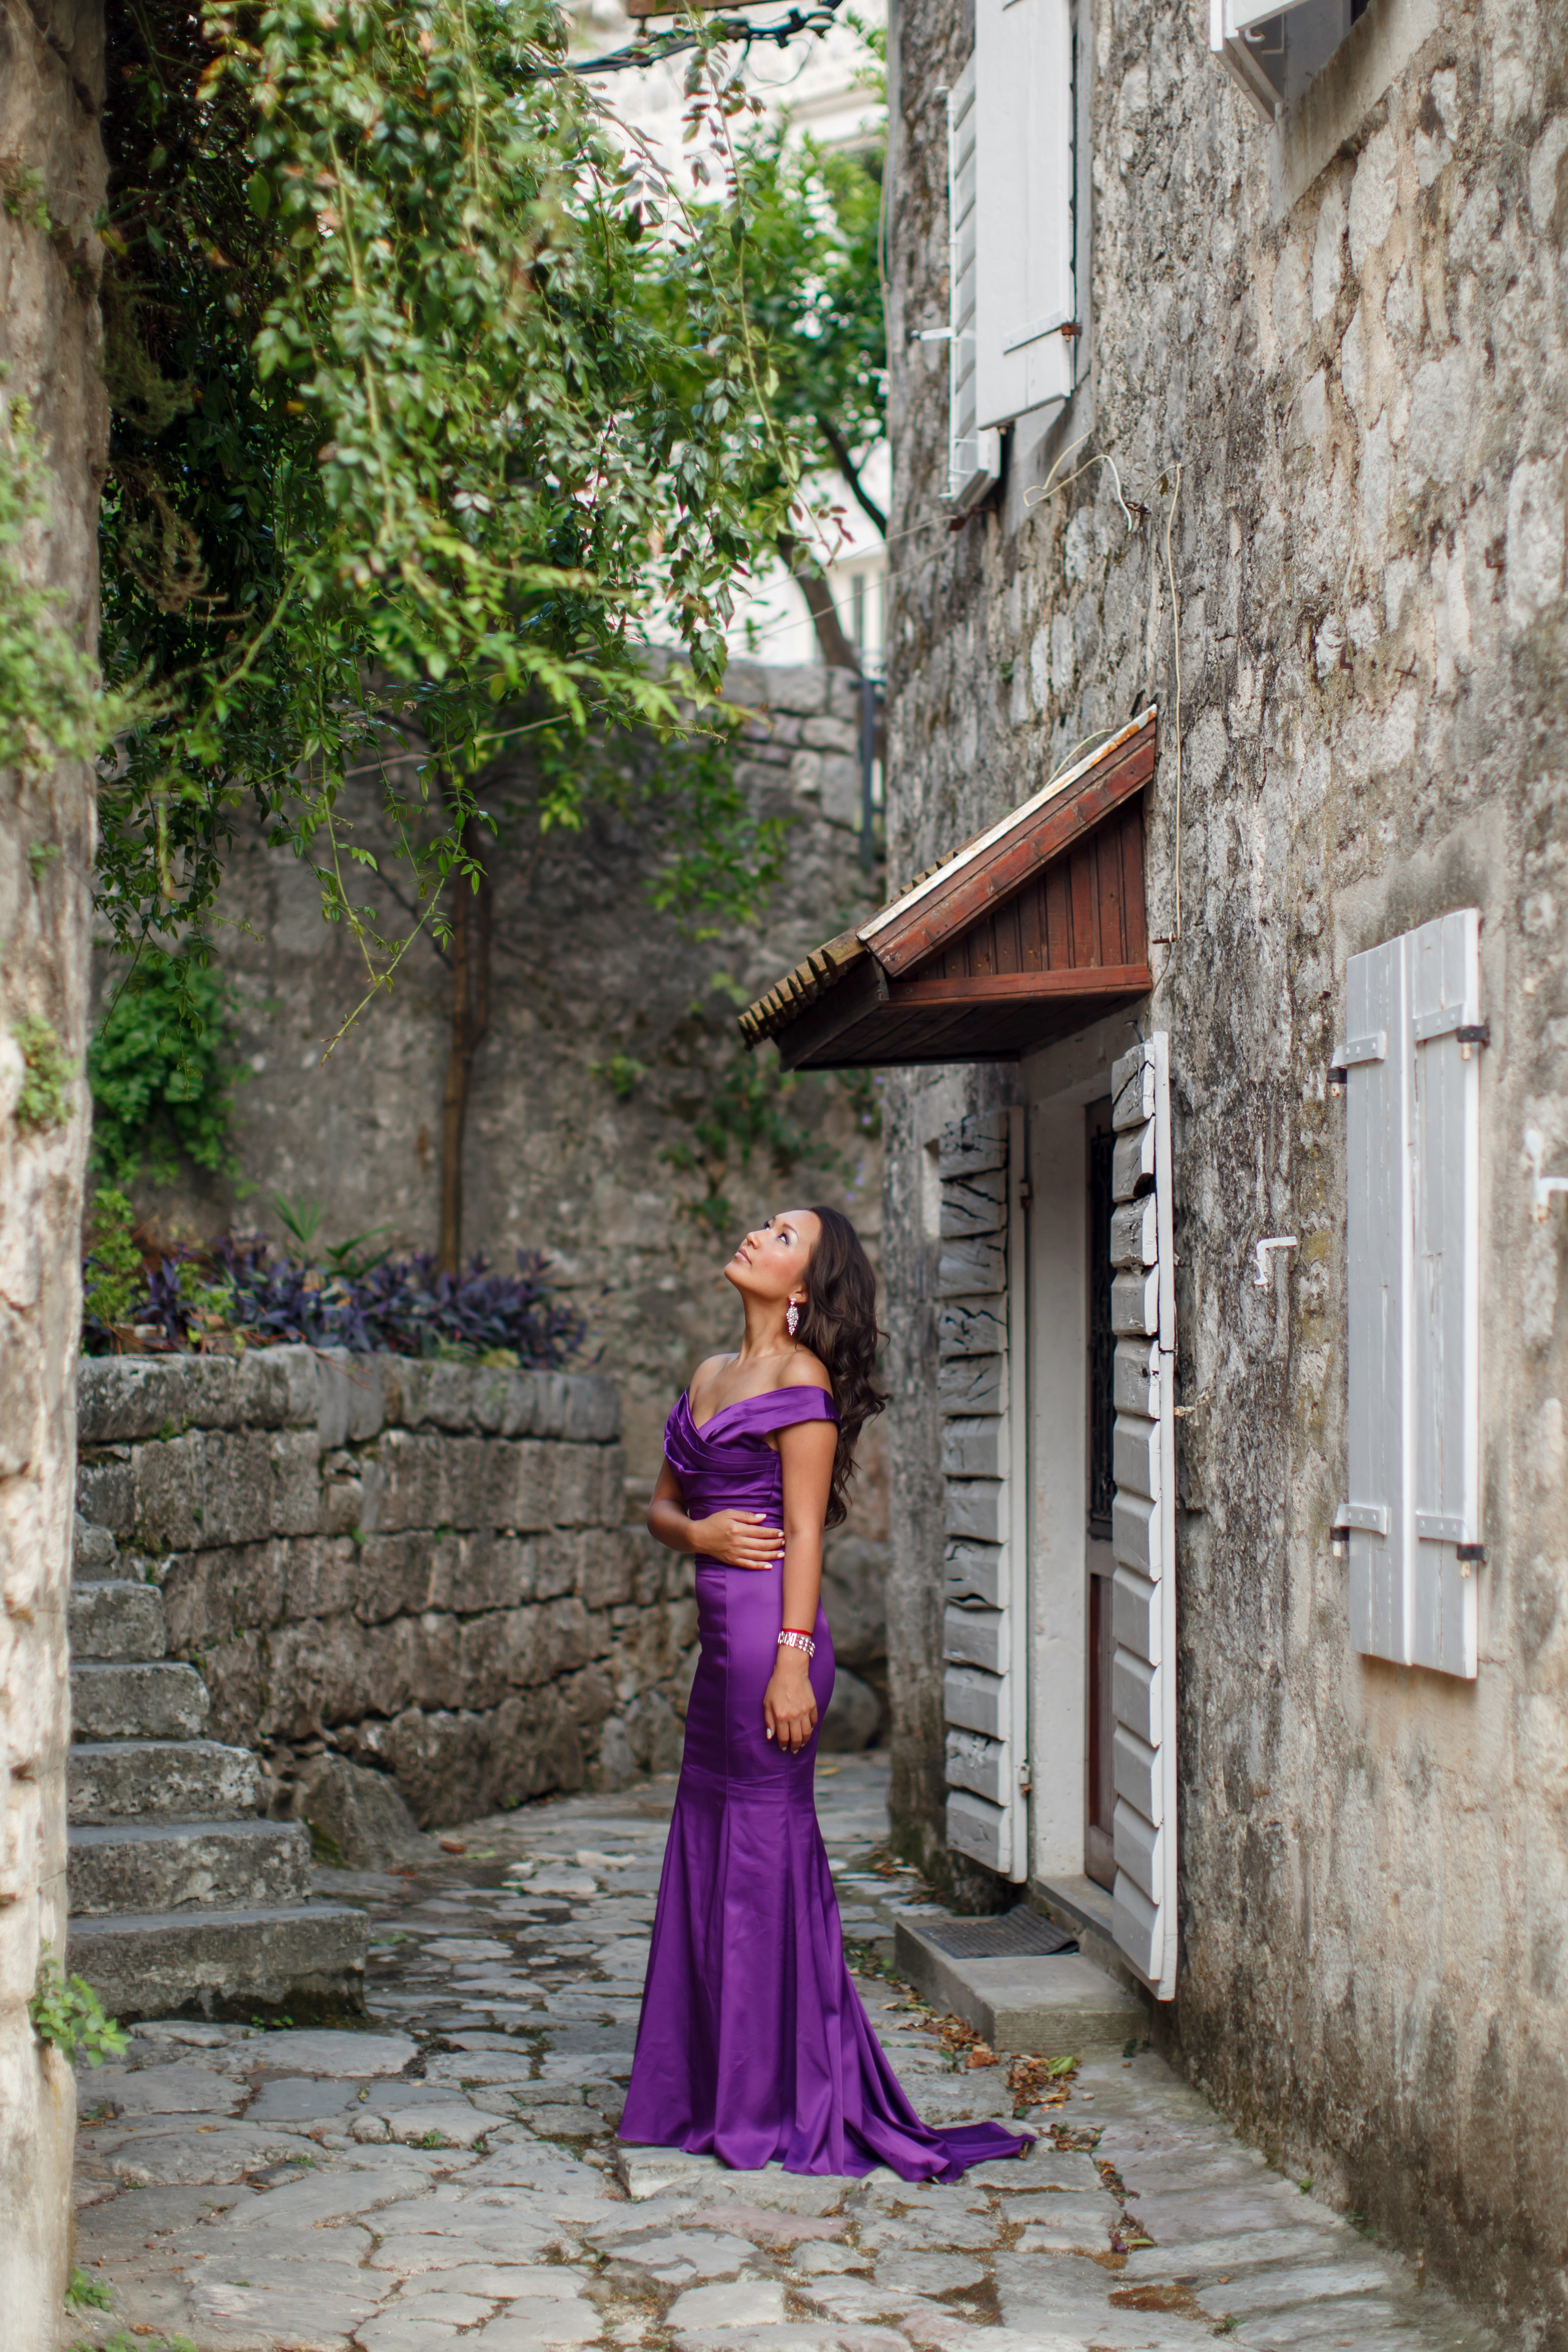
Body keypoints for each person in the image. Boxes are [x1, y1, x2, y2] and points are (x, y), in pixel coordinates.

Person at [618, 1203, 1031, 2180]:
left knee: (763, 1858)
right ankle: (708, 2088)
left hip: (772, 1639)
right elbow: (663, 1508)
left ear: (803, 1287)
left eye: (784, 1236)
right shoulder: (710, 1376)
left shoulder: (801, 1382)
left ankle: (771, 2097)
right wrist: (700, 1536)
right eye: (764, 1224)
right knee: (711, 1843)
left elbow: (806, 1534)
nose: (758, 1236)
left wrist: (796, 1659)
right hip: (721, 1650)